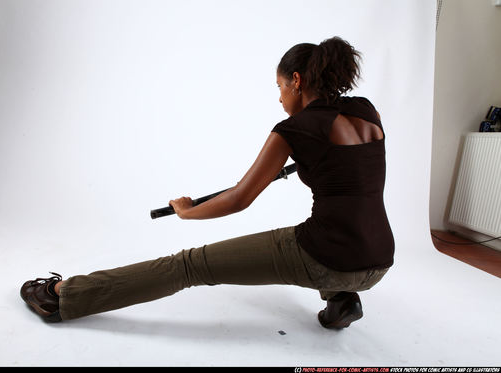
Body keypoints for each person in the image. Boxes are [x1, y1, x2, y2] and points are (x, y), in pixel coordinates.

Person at [21, 36, 395, 329]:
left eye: (280, 87)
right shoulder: (367, 112)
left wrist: (187, 212)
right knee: (335, 231)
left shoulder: (293, 129)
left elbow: (238, 199)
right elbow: (355, 173)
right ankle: (343, 300)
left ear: (296, 81)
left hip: (327, 257)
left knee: (188, 266)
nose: (279, 97)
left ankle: (63, 297)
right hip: (379, 260)